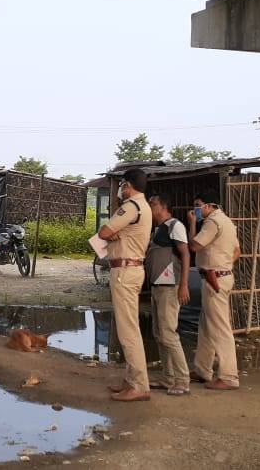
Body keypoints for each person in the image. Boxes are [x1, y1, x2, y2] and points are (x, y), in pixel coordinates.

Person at [98, 168, 154, 402]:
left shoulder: (131, 207)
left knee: (128, 330)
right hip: (131, 269)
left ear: (128, 185)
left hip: (125, 271)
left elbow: (104, 231)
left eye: (122, 185)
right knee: (129, 328)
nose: (120, 189)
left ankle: (139, 384)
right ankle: (132, 379)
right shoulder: (144, 207)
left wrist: (109, 232)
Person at [186, 190, 241, 390]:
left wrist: (192, 223)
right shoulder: (227, 222)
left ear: (209, 205)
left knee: (219, 327)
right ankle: (203, 369)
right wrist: (224, 265)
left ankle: (228, 376)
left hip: (214, 279)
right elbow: (237, 251)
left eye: (198, 205)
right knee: (207, 326)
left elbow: (194, 246)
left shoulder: (212, 222)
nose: (196, 210)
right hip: (221, 277)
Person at [146, 194, 191, 396]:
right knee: (159, 333)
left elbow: (185, 254)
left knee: (168, 334)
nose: (150, 206)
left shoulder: (175, 226)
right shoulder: (157, 229)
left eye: (153, 203)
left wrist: (184, 285)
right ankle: (168, 377)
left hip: (170, 286)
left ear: (164, 206)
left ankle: (182, 380)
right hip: (158, 285)